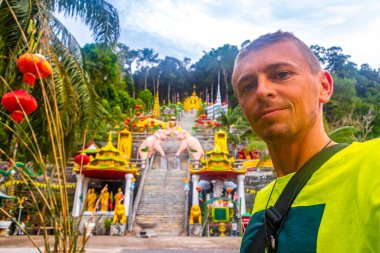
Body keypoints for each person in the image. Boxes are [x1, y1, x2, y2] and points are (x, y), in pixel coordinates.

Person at [232, 30, 380, 252]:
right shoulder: (263, 201)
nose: (262, 91)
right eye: (248, 86)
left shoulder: (371, 165)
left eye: (281, 74)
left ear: (324, 87)